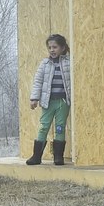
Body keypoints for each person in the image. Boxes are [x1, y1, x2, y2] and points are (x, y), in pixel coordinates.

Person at [27, 33, 72, 166]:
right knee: (43, 127)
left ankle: (58, 157)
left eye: (55, 47)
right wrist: (34, 98)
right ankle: (36, 156)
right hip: (48, 102)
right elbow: (38, 81)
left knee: (60, 127)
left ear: (63, 48)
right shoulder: (45, 64)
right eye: (50, 47)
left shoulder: (69, 63)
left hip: (63, 102)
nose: (52, 50)